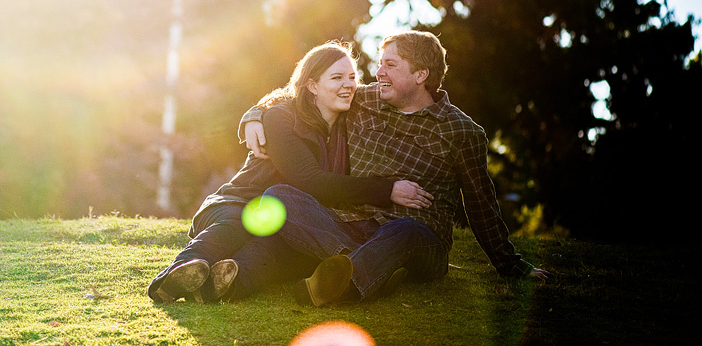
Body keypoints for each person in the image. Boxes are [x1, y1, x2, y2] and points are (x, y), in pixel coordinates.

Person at [241, 31, 548, 307]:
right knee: (278, 196)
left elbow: (482, 205)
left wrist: (512, 265)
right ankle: (365, 267)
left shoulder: (462, 132)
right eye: (380, 64)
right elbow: (304, 92)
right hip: (353, 227)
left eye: (390, 65)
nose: (378, 73)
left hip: (419, 240)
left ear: (420, 75)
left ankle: (345, 281)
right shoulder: (366, 100)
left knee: (403, 231)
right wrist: (255, 113)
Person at [148, 41, 432, 303]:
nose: (348, 85)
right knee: (240, 223)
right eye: (337, 78)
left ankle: (223, 286)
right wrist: (388, 190)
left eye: (352, 78)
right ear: (312, 85)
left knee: (275, 252)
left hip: (289, 221)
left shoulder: (350, 123)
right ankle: (173, 278)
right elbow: (308, 180)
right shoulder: (282, 117)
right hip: (242, 204)